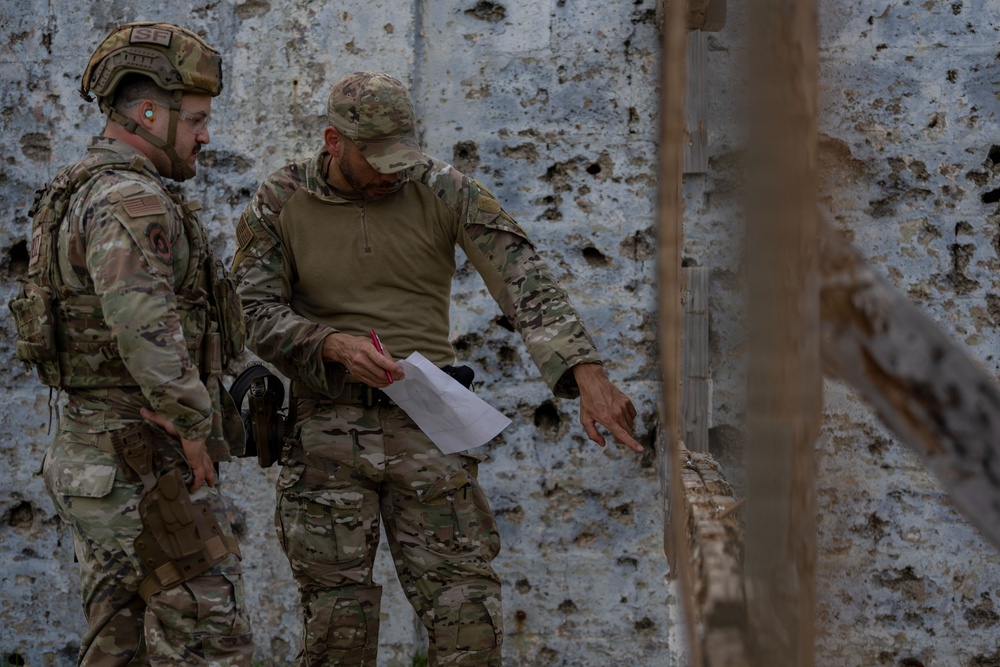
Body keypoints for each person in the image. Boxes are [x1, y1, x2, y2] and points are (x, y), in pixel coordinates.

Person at [230, 70, 642, 667]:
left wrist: (586, 373)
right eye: (375, 159)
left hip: (427, 419)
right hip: (324, 429)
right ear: (332, 141)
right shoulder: (281, 198)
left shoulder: (443, 188)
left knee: (465, 608)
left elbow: (521, 277)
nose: (390, 173)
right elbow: (252, 311)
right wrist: (332, 344)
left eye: (400, 157)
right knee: (336, 619)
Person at [9, 22, 253, 664]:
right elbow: (142, 326)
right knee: (207, 641)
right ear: (149, 112)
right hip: (148, 463)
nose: (206, 135)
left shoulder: (79, 189)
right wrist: (192, 425)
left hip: (101, 457)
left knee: (117, 645)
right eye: (196, 118)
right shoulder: (130, 198)